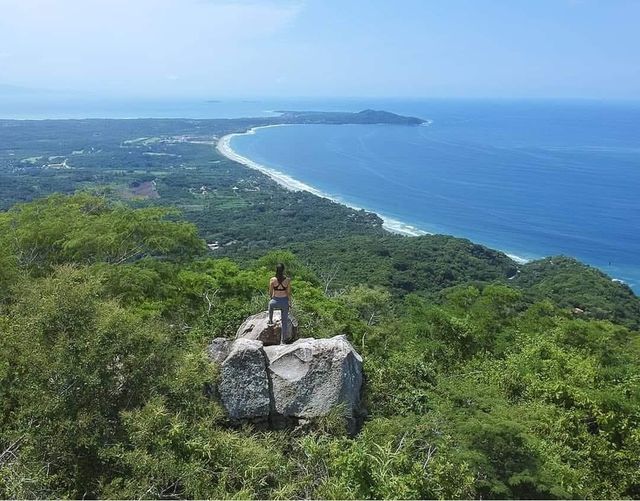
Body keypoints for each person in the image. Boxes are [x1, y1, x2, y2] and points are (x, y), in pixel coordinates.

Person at [268, 263, 291, 344]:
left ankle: (270, 320)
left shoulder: (272, 280)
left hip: (275, 301)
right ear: (283, 270)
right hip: (284, 301)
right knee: (284, 322)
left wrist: (272, 299)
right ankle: (283, 341)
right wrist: (289, 302)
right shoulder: (287, 280)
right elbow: (288, 293)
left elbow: (270, 292)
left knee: (270, 305)